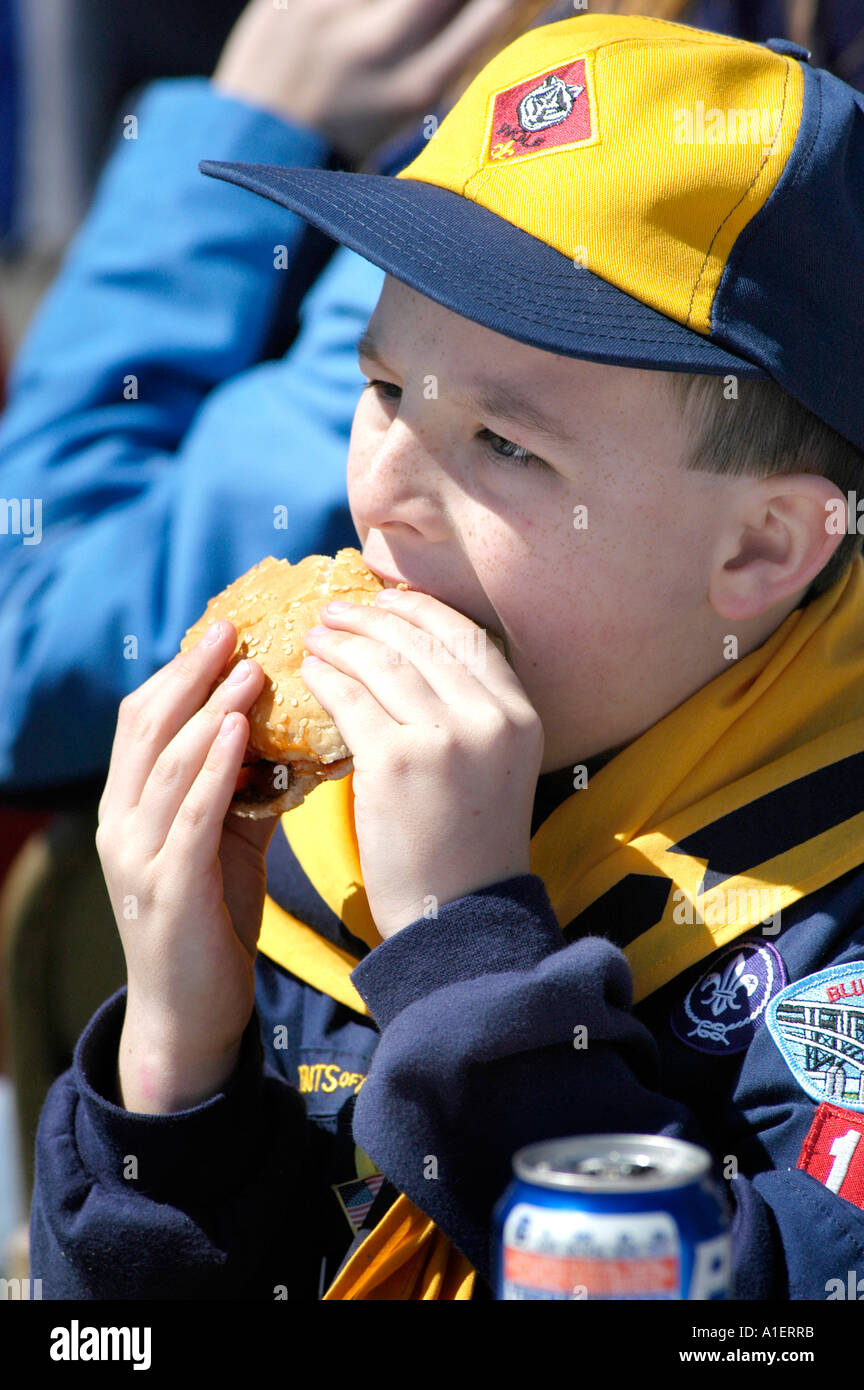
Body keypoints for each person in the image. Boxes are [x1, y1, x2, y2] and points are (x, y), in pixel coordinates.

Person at [28, 12, 864, 1301]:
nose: (385, 492)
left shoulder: (830, 916)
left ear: (761, 548)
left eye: (508, 447)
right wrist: (175, 1072)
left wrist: (472, 972)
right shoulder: (310, 837)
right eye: (383, 391)